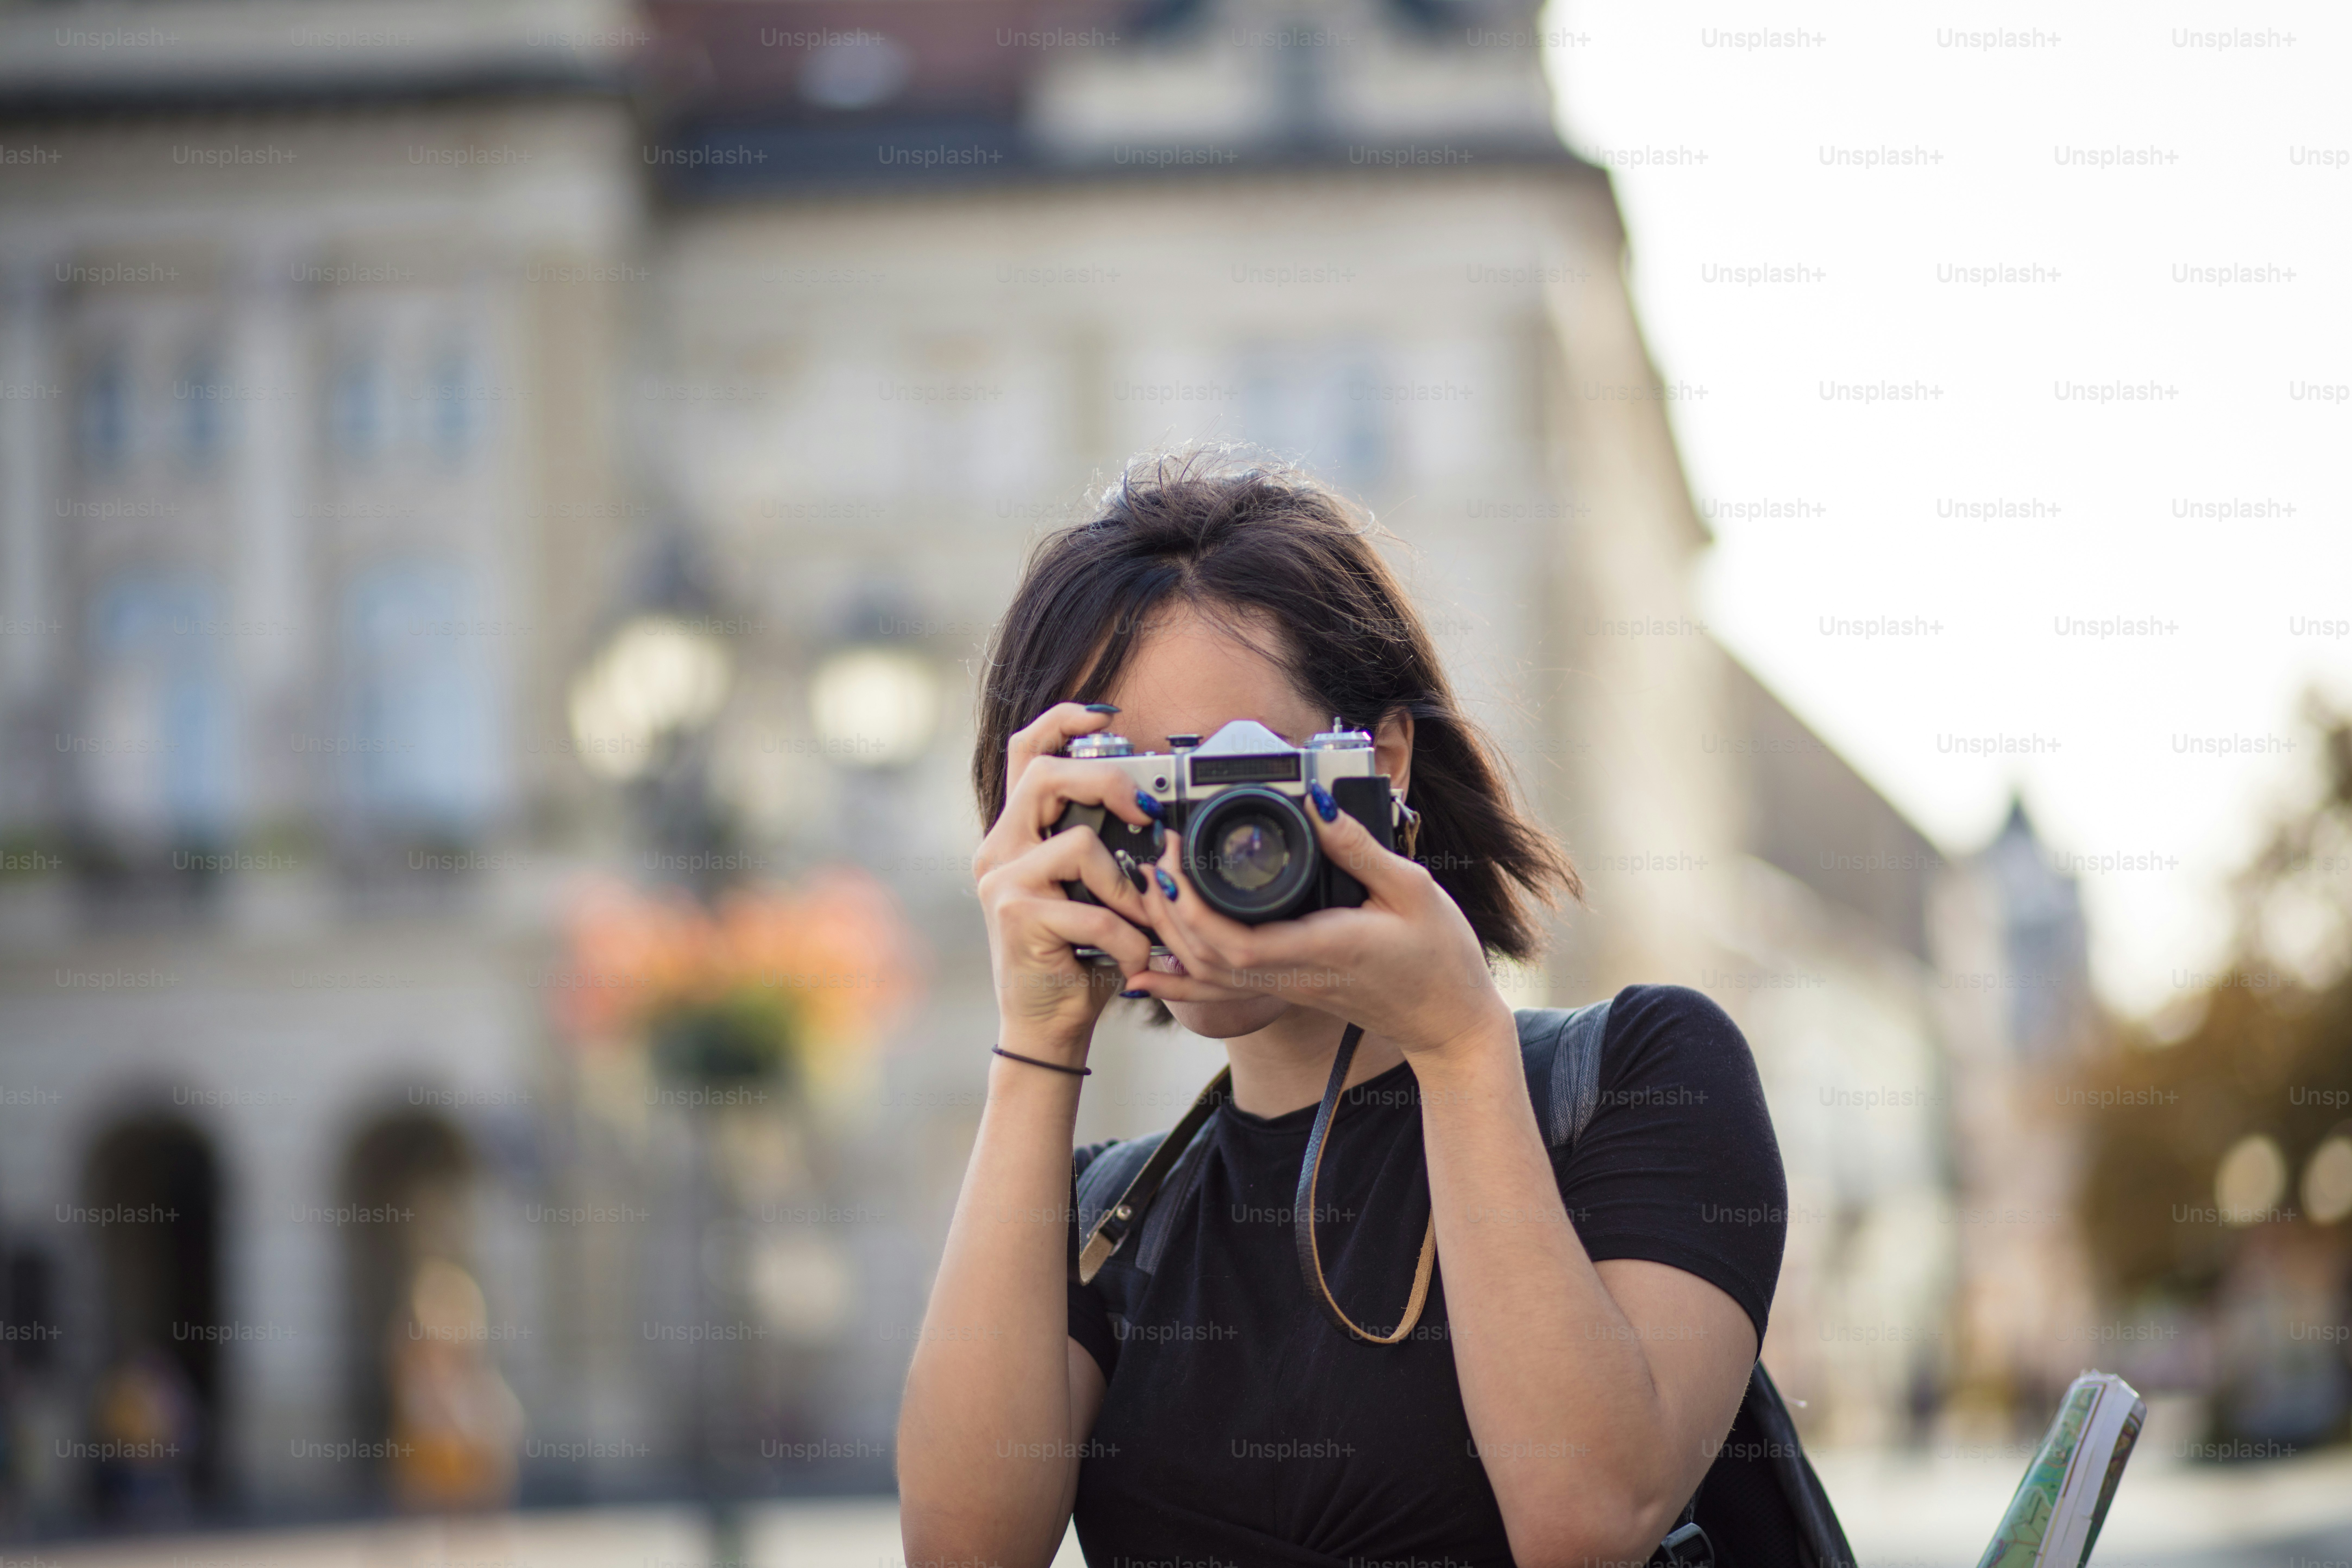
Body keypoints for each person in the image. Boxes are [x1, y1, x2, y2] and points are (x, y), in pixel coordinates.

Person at [897, 451, 1789, 1568]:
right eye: (1123, 784)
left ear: (1382, 763)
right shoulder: (1105, 1218)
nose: (1185, 844)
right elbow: (962, 1553)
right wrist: (1034, 1038)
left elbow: (1584, 1519)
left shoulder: (1643, 1076)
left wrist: (1457, 1043)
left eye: (1231, 775)